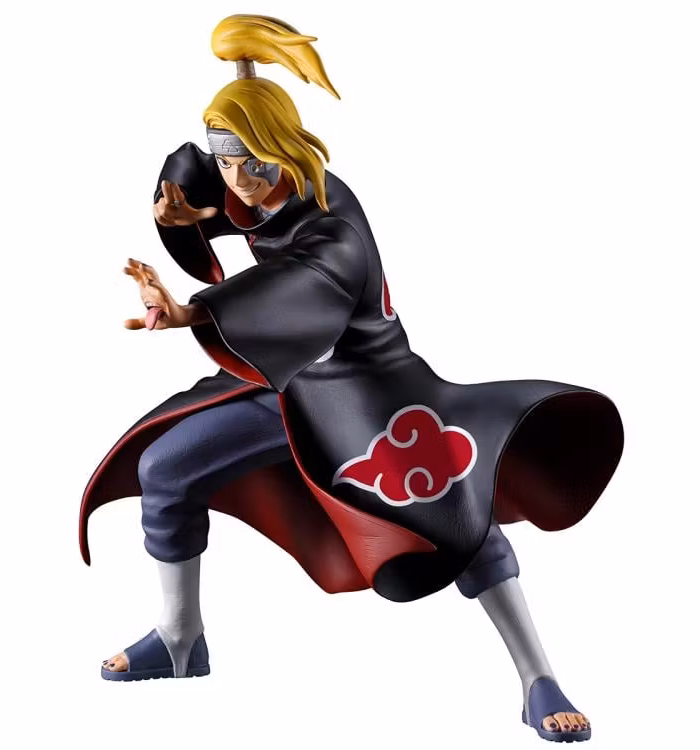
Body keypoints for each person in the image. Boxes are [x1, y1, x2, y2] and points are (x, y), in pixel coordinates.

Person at [80, 14, 623, 744]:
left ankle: (537, 678)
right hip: (288, 386)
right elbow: (226, 196)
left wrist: (188, 312)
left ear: (283, 149)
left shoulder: (333, 229)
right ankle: (181, 640)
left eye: (251, 163)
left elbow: (298, 286)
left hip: (369, 394)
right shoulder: (263, 187)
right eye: (225, 163)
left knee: (455, 520)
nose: (238, 181)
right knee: (165, 467)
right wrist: (189, 214)